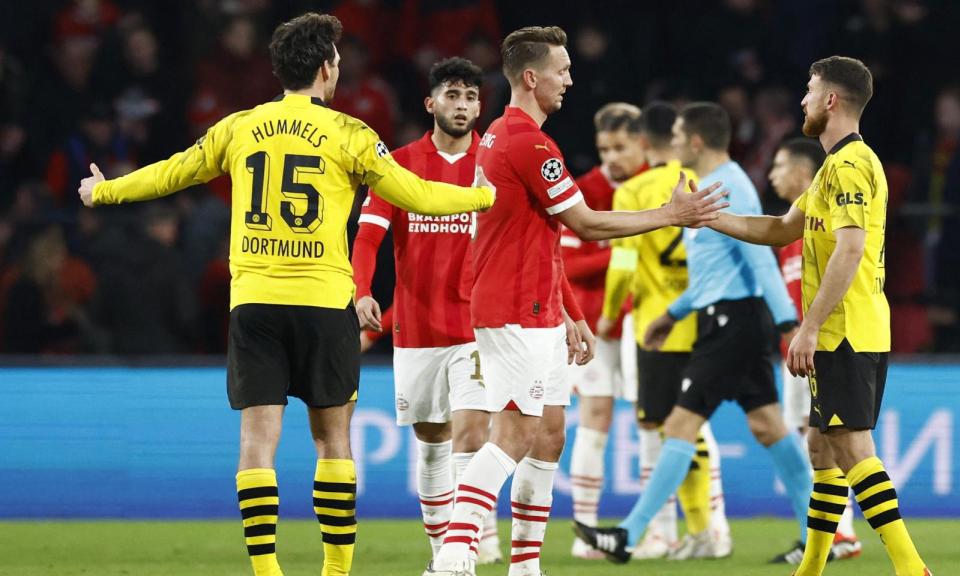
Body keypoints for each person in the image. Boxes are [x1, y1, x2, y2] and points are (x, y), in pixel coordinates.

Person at [77, 13, 495, 576]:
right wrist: (481, 199)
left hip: (254, 302)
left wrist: (106, 191)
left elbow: (175, 173)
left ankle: (268, 572)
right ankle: (335, 571)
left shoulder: (239, 126)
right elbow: (417, 195)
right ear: (327, 68)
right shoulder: (351, 134)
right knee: (332, 439)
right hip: (324, 302)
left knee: (257, 439)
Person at [424, 25, 727, 576]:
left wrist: (571, 311)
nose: (570, 79)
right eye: (562, 70)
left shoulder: (498, 136)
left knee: (550, 433)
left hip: (537, 308)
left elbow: (544, 237)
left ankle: (525, 566)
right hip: (515, 308)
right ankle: (452, 555)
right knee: (513, 433)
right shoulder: (527, 142)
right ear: (533, 76)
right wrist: (671, 215)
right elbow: (585, 224)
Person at [680, 56, 930, 576]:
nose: (803, 100)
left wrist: (809, 327)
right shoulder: (831, 170)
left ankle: (912, 570)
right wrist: (708, 216)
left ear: (831, 101)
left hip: (844, 330)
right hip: (848, 327)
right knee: (820, 447)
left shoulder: (850, 165)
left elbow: (850, 250)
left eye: (810, 91)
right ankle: (811, 569)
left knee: (852, 446)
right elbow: (779, 229)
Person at [575, 101, 812, 565]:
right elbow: (711, 273)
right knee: (769, 427)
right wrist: (673, 313)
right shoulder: (705, 188)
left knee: (680, 425)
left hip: (734, 323)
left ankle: (627, 534)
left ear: (697, 141)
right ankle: (821, 531)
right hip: (722, 316)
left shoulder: (730, 187)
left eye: (679, 137)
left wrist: (788, 322)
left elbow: (759, 259)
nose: (672, 144)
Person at [350, 56, 503, 565]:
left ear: (480, 105)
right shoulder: (398, 165)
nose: (462, 106)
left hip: (478, 328)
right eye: (453, 96)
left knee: (472, 434)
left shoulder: (495, 165)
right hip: (416, 329)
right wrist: (362, 290)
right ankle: (444, 552)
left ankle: (459, 553)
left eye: (470, 97)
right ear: (430, 103)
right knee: (432, 442)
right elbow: (368, 236)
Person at [598, 101, 732, 561]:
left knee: (664, 429)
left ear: (642, 141)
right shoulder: (701, 180)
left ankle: (697, 530)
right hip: (708, 319)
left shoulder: (634, 191)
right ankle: (706, 530)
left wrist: (607, 316)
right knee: (691, 427)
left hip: (659, 326)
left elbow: (622, 265)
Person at [769, 137, 862, 564]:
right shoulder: (790, 230)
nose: (772, 175)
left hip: (821, 345)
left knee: (828, 438)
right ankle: (828, 535)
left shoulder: (825, 220)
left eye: (780, 166)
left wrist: (811, 330)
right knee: (812, 439)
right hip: (795, 347)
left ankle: (839, 534)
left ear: (803, 173)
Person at [562, 101, 647, 560]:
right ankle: (586, 531)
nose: (612, 157)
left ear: (641, 143)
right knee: (594, 420)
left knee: (651, 420)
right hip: (596, 324)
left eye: (620, 147)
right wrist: (618, 248)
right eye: (603, 148)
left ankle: (657, 529)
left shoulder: (657, 184)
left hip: (645, 322)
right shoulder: (582, 190)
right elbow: (567, 262)